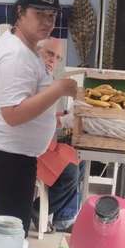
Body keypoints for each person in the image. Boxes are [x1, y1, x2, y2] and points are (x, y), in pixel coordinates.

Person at [0, 0, 78, 234]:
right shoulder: (16, 55)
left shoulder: (25, 49)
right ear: (20, 12)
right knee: (11, 231)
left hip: (11, 152)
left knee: (11, 225)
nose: (47, 21)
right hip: (5, 154)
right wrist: (59, 89)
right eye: (38, 14)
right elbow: (13, 114)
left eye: (51, 15)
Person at [33, 37, 84, 233]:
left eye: (58, 57)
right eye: (49, 54)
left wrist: (64, 116)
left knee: (80, 160)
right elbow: (29, 117)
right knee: (69, 172)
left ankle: (63, 219)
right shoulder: (29, 77)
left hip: (45, 143)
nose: (53, 60)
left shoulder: (48, 81)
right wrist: (62, 121)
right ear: (37, 52)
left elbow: (44, 114)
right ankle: (37, 210)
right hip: (30, 147)